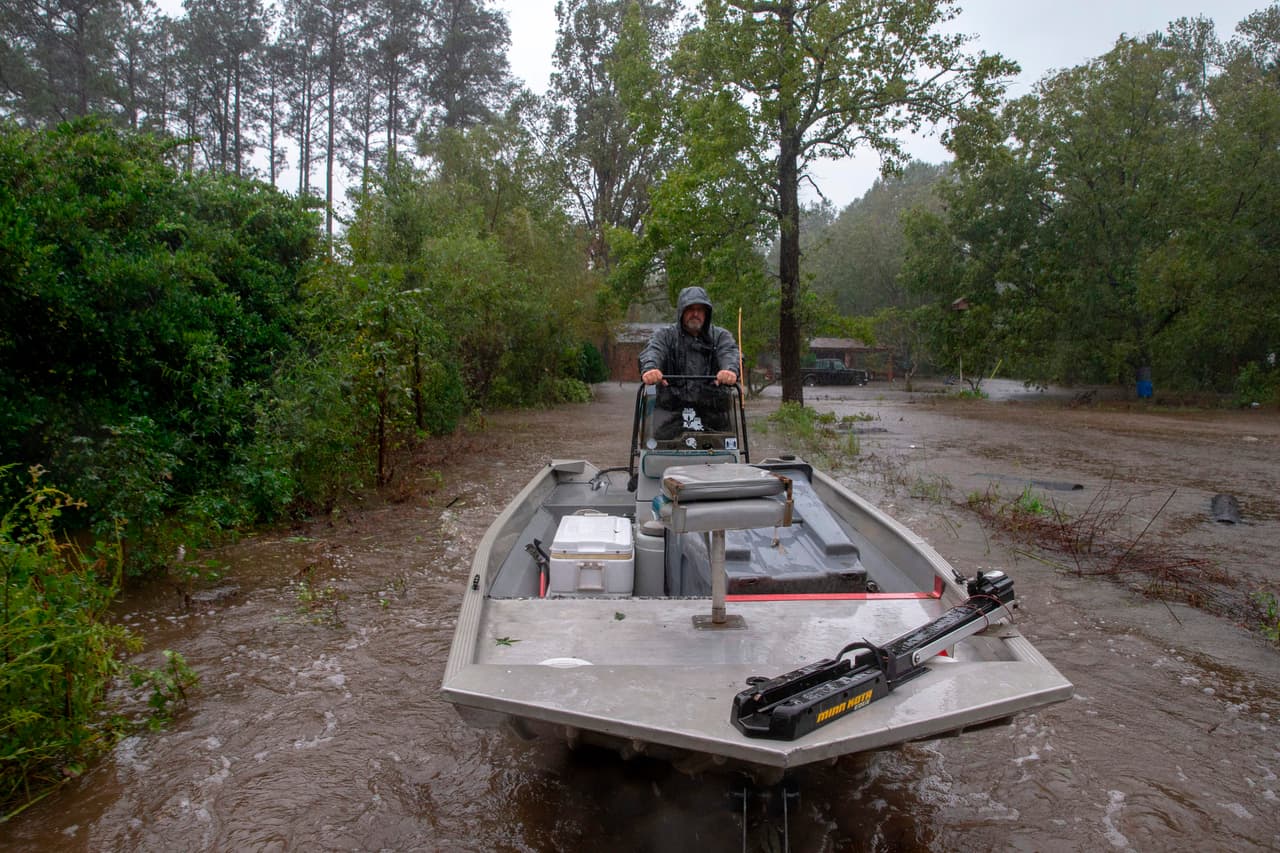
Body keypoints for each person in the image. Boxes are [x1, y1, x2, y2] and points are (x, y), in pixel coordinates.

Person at [638, 286, 740, 437]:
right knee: (659, 439)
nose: (695, 314)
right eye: (690, 309)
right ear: (681, 311)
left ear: (706, 313)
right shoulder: (665, 335)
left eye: (700, 309)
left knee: (723, 442)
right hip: (671, 413)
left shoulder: (720, 336)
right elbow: (653, 350)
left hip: (713, 415)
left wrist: (730, 370)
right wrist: (651, 368)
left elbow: (730, 352)